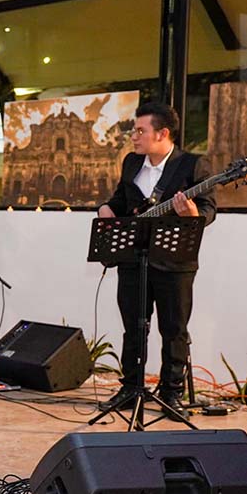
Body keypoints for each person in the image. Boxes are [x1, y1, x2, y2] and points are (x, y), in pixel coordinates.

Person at [97, 101, 216, 420]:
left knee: (174, 328)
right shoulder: (131, 164)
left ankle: (171, 392)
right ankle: (131, 387)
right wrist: (106, 209)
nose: (134, 137)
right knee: (133, 326)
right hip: (134, 258)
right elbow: (121, 200)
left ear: (162, 133)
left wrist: (193, 214)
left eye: (140, 131)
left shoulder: (192, 165)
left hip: (175, 262)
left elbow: (208, 209)